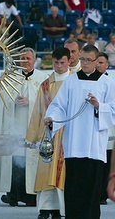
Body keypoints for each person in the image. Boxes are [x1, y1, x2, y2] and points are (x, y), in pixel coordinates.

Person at [45, 45, 115, 219]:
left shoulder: (107, 82)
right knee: (74, 186)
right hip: (74, 143)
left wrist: (99, 106)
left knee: (92, 188)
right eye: (82, 59)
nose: (84, 63)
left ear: (97, 61)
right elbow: (59, 106)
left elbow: (113, 109)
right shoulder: (71, 81)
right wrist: (52, 118)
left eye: (88, 60)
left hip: (94, 145)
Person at [0, 47, 48, 207]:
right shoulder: (10, 79)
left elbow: (49, 103)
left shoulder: (43, 79)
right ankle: (13, 195)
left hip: (33, 129)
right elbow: (1, 102)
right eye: (22, 58)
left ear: (34, 60)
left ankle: (31, 196)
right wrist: (11, 101)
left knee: (32, 160)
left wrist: (32, 102)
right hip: (14, 128)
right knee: (15, 160)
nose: (25, 61)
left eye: (28, 58)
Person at [25, 47, 71, 219]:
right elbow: (37, 111)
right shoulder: (45, 85)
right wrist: (32, 137)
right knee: (45, 172)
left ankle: (61, 209)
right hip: (48, 136)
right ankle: (45, 208)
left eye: (62, 63)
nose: (58, 66)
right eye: (56, 63)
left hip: (67, 136)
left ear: (69, 61)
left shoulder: (74, 82)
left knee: (62, 174)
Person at [95, 52, 115, 205]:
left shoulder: (111, 82)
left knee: (107, 162)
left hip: (109, 128)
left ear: (107, 65)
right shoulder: (91, 81)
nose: (98, 65)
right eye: (97, 62)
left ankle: (103, 193)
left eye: (101, 62)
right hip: (95, 129)